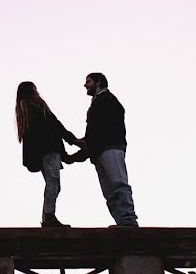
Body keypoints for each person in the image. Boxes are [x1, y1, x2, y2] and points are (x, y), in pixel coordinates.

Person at [65, 72, 138, 227]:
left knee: (117, 184)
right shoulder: (101, 102)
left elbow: (98, 131)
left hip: (110, 148)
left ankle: (128, 220)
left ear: (98, 82)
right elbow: (95, 133)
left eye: (88, 81)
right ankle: (123, 221)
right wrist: (81, 150)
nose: (85, 85)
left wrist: (81, 149)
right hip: (102, 150)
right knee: (110, 190)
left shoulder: (107, 101)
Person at [15, 81, 80, 227]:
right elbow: (54, 126)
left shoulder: (24, 109)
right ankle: (49, 216)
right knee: (53, 181)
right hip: (49, 150)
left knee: (53, 182)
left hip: (41, 152)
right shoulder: (37, 105)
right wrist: (72, 141)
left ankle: (47, 217)